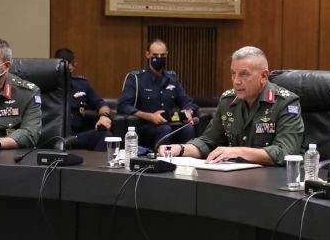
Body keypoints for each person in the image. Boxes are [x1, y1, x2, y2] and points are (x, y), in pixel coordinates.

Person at [163, 46, 304, 165]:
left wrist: (237, 151)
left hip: (273, 180)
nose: (236, 81)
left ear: (264, 76)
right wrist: (180, 149)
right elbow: (208, 141)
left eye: (244, 74)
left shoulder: (285, 102)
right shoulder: (228, 101)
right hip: (235, 175)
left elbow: (285, 152)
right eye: (233, 74)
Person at [117, 39, 198, 150]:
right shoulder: (136, 78)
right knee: (165, 129)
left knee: (188, 128)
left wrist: (189, 111)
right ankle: (161, 158)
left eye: (162, 55)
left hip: (170, 123)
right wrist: (150, 116)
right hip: (146, 126)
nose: (159, 58)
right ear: (147, 54)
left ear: (167, 55)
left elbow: (187, 102)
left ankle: (187, 158)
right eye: (155, 55)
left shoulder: (172, 78)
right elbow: (123, 106)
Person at [54, 48, 112, 151]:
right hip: (52, 136)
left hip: (75, 136)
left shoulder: (82, 84)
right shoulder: (45, 85)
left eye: (67, 65)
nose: (65, 68)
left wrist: (104, 116)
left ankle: (96, 162)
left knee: (105, 136)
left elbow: (101, 104)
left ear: (74, 66)